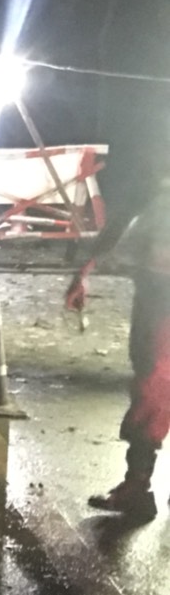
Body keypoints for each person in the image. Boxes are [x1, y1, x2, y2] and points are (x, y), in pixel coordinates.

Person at [67, 172, 170, 520]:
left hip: (161, 296)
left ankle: (137, 487)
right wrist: (83, 271)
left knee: (154, 385)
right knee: (151, 381)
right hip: (156, 291)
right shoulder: (155, 179)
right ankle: (136, 486)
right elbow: (126, 213)